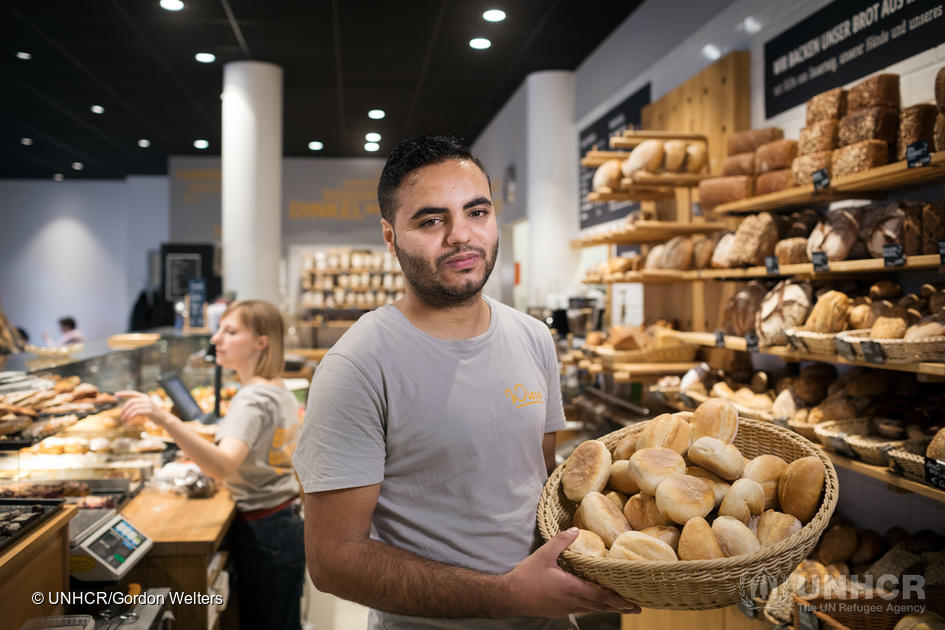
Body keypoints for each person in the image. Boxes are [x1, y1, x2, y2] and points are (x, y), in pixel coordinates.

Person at [292, 136, 639, 629]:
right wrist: (507, 595)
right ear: (390, 237)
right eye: (432, 220)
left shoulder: (534, 338)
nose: (461, 235)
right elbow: (333, 561)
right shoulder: (358, 364)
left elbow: (540, 485)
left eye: (476, 212)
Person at [118, 300, 304, 630]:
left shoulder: (251, 398)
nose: (216, 339)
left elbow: (223, 467)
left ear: (261, 342)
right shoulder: (277, 388)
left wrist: (164, 419)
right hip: (283, 522)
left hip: (265, 531)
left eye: (230, 332)